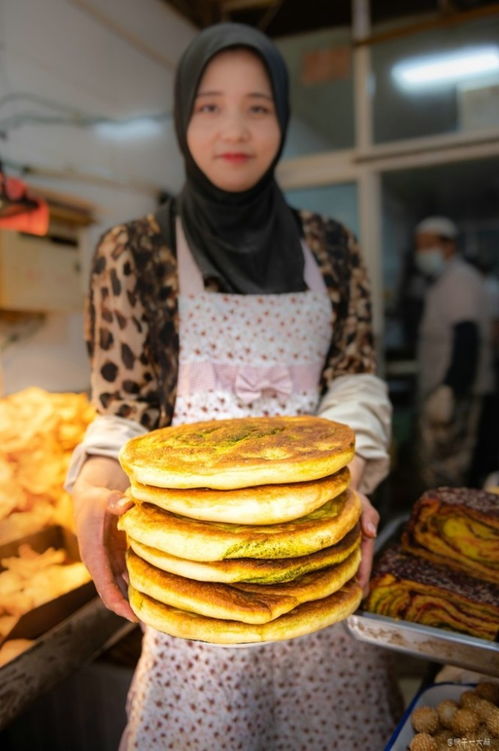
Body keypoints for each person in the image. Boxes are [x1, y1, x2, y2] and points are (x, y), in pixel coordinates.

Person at [67, 23, 402, 750]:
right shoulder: (134, 252)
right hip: (197, 598)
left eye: (258, 106)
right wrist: (94, 486)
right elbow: (123, 411)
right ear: (184, 115)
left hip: (318, 579)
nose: (234, 129)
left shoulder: (330, 247)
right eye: (209, 105)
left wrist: (337, 478)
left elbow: (354, 379)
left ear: (281, 118)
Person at [414, 216, 493, 488]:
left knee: (451, 468)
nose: (421, 252)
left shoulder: (459, 279)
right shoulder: (441, 280)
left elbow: (466, 336)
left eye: (428, 245)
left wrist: (451, 388)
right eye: (419, 246)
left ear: (448, 246)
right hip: (441, 390)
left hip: (455, 393)